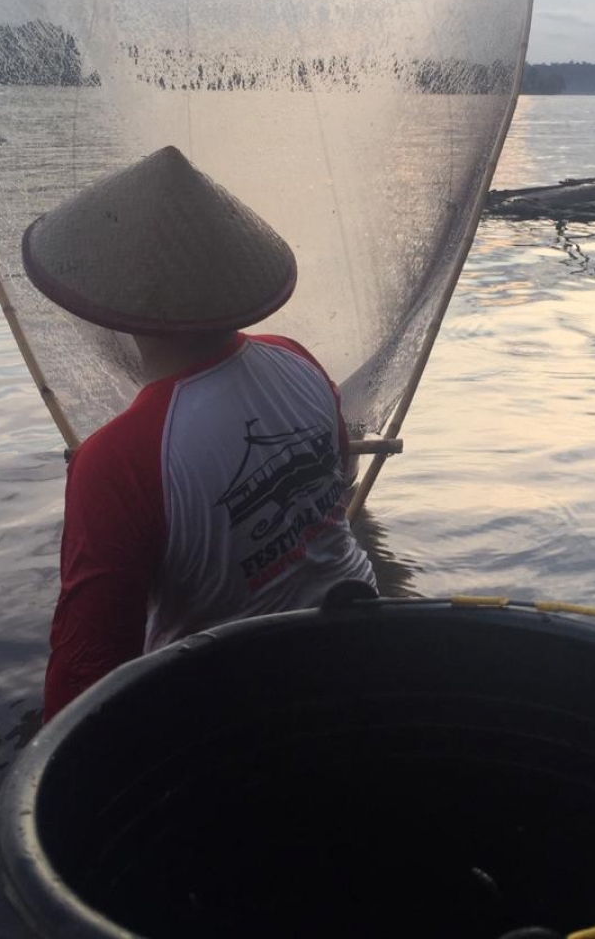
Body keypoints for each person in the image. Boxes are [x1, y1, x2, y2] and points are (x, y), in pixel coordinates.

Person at [25, 145, 377, 721]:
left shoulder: (117, 460)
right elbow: (336, 476)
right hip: (364, 638)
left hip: (238, 705)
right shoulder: (295, 358)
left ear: (110, 302)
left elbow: (85, 677)